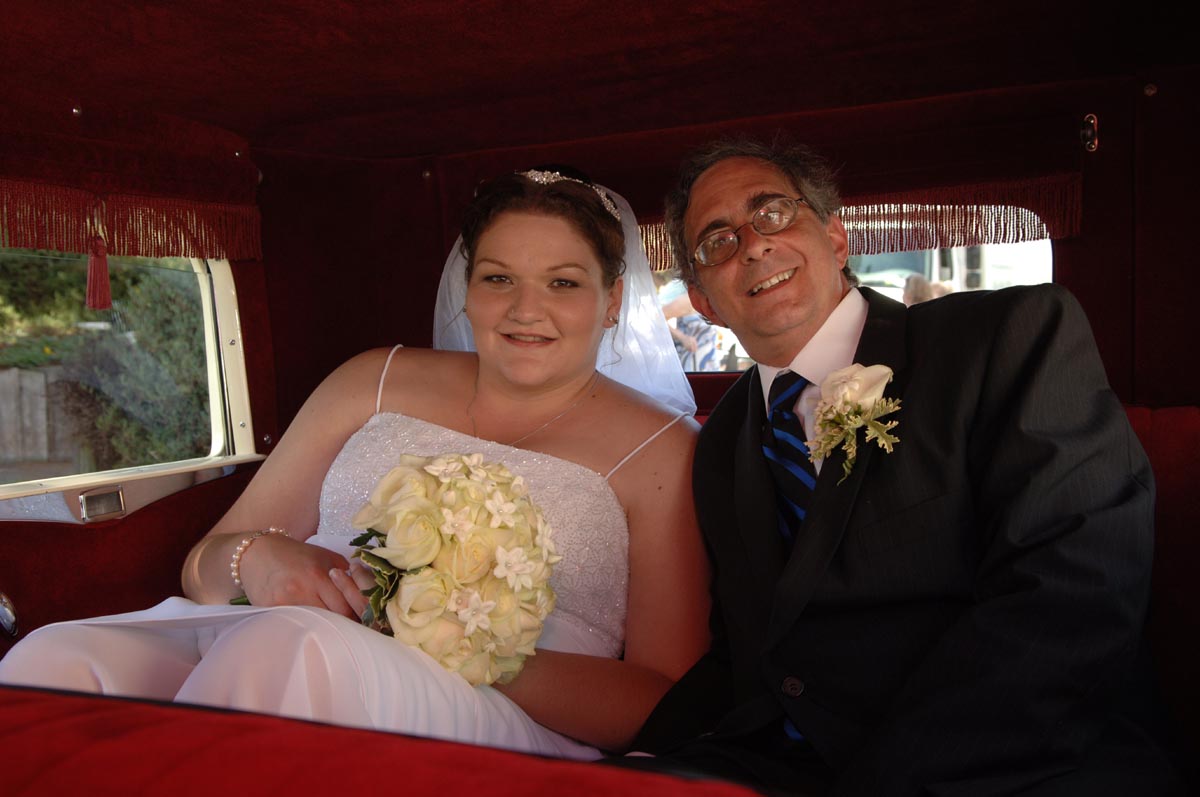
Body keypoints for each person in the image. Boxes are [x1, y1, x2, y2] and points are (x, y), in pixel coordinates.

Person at [0, 170, 712, 760]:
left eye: (563, 283)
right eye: (499, 277)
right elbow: (202, 569)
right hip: (279, 632)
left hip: (498, 702)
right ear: (467, 289)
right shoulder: (374, 377)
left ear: (613, 300)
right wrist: (257, 559)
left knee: (290, 647)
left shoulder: (664, 449)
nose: (526, 309)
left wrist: (468, 646)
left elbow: (664, 700)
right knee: (56, 660)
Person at [630, 138, 1183, 795]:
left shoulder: (1006, 337)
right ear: (703, 301)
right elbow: (745, 656)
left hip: (1024, 763)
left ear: (836, 238)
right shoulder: (721, 441)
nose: (751, 245)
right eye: (717, 241)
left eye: (772, 212)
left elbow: (1072, 595)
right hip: (785, 764)